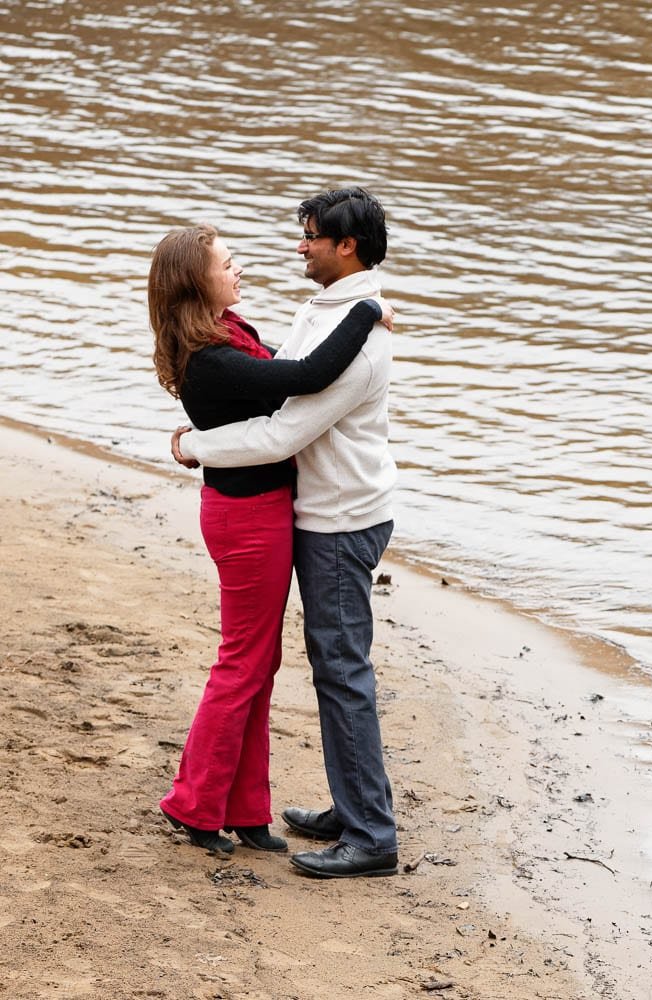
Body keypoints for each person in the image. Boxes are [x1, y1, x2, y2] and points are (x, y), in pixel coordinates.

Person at [173, 187, 402, 879]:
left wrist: (194, 447)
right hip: (314, 512)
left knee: (341, 673)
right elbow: (281, 370)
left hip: (340, 519)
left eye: (310, 236)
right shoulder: (323, 307)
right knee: (326, 666)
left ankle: (370, 833)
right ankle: (351, 804)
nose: (298, 245)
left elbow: (285, 431)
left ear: (346, 247)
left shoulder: (359, 335)